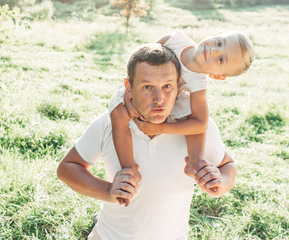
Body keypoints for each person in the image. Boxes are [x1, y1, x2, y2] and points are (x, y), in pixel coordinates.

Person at [57, 43, 237, 240]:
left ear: (178, 85)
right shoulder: (109, 123)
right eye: (147, 87)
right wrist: (108, 191)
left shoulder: (197, 129)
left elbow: (227, 165)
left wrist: (221, 183)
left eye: (167, 86)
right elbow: (67, 168)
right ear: (129, 87)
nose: (159, 99)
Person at [110, 30, 254, 196]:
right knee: (118, 113)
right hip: (143, 87)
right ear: (216, 34)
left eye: (221, 59)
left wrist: (161, 128)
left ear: (217, 75)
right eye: (219, 43)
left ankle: (194, 161)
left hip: (169, 99)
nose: (214, 50)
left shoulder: (198, 83)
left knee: (195, 118)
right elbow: (142, 63)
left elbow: (201, 123)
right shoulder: (175, 40)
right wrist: (129, 98)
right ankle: (128, 169)